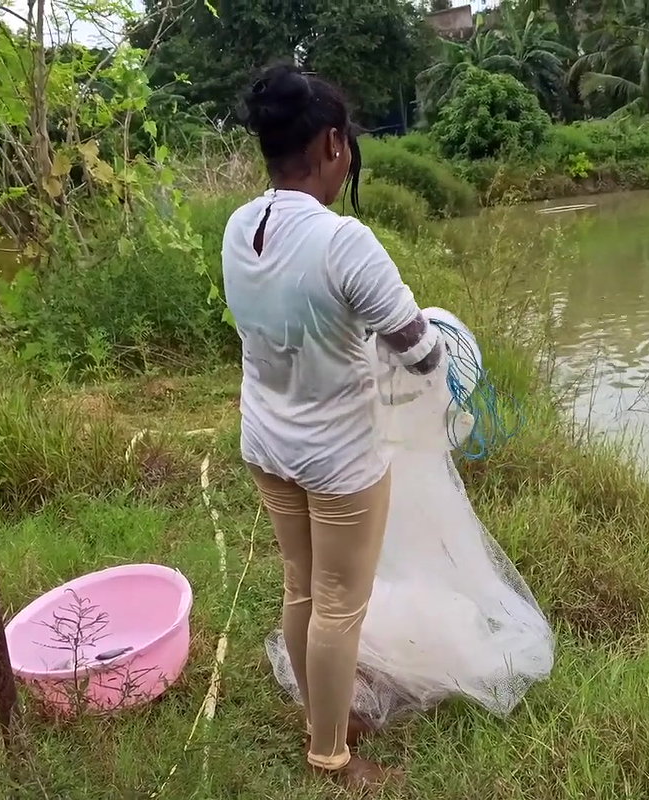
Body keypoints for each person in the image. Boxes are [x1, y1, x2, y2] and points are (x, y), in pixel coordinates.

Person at [220, 63, 444, 789]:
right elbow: (422, 351)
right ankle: (331, 754)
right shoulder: (343, 241)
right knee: (340, 606)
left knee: (302, 588)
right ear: (332, 146)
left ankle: (324, 710)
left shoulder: (239, 226)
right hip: (337, 457)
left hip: (266, 441)